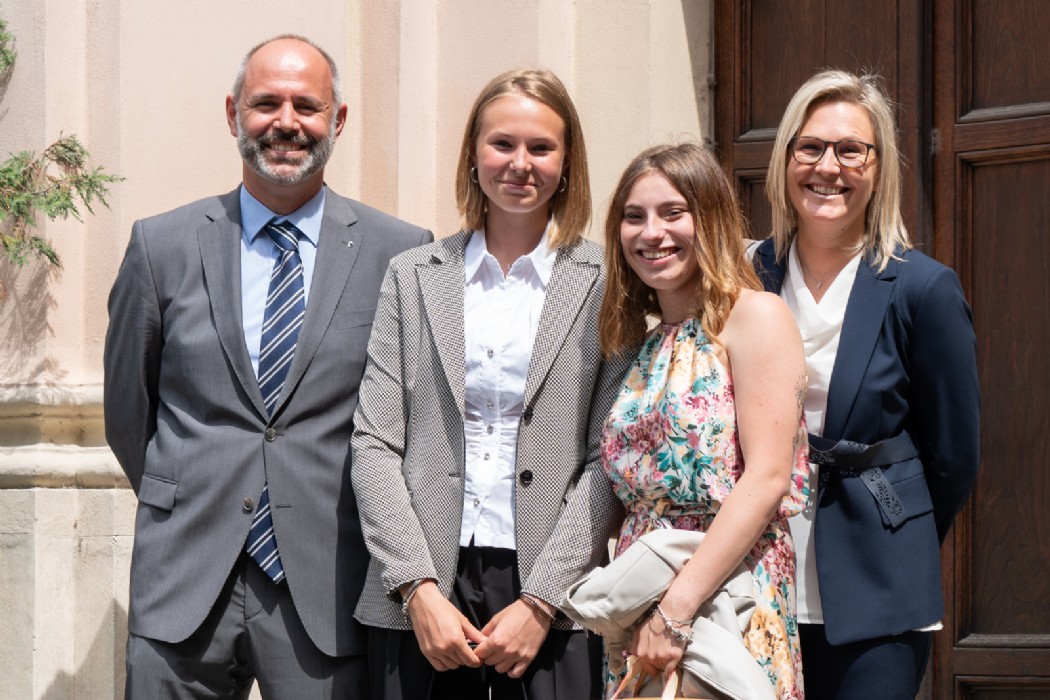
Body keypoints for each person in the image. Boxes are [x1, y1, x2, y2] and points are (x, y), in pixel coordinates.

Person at [104, 35, 432, 699]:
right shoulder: (160, 246)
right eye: (266, 104)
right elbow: (127, 412)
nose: (286, 122)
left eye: (307, 106)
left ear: (338, 120)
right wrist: (192, 493)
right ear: (233, 114)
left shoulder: (399, 255)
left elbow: (412, 423)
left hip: (326, 586)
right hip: (182, 577)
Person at [350, 68, 631, 700]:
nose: (520, 163)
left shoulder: (606, 280)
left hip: (553, 590)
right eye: (502, 143)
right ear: (473, 155)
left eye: (541, 147)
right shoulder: (413, 275)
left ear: (568, 161)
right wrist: (417, 587)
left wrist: (543, 600)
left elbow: (605, 459)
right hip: (423, 583)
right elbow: (374, 442)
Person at [754, 69, 980, 699]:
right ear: (785, 160)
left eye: (851, 150)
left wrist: (896, 527)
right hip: (755, 583)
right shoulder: (748, 276)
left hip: (879, 585)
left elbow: (954, 457)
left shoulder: (922, 288)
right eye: (810, 147)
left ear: (878, 170)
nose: (828, 166)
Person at [599, 142, 810, 699]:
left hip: (726, 593)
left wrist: (676, 610)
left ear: (710, 218)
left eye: (673, 213)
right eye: (634, 216)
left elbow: (767, 478)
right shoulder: (644, 344)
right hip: (644, 599)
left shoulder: (755, 316)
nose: (652, 233)